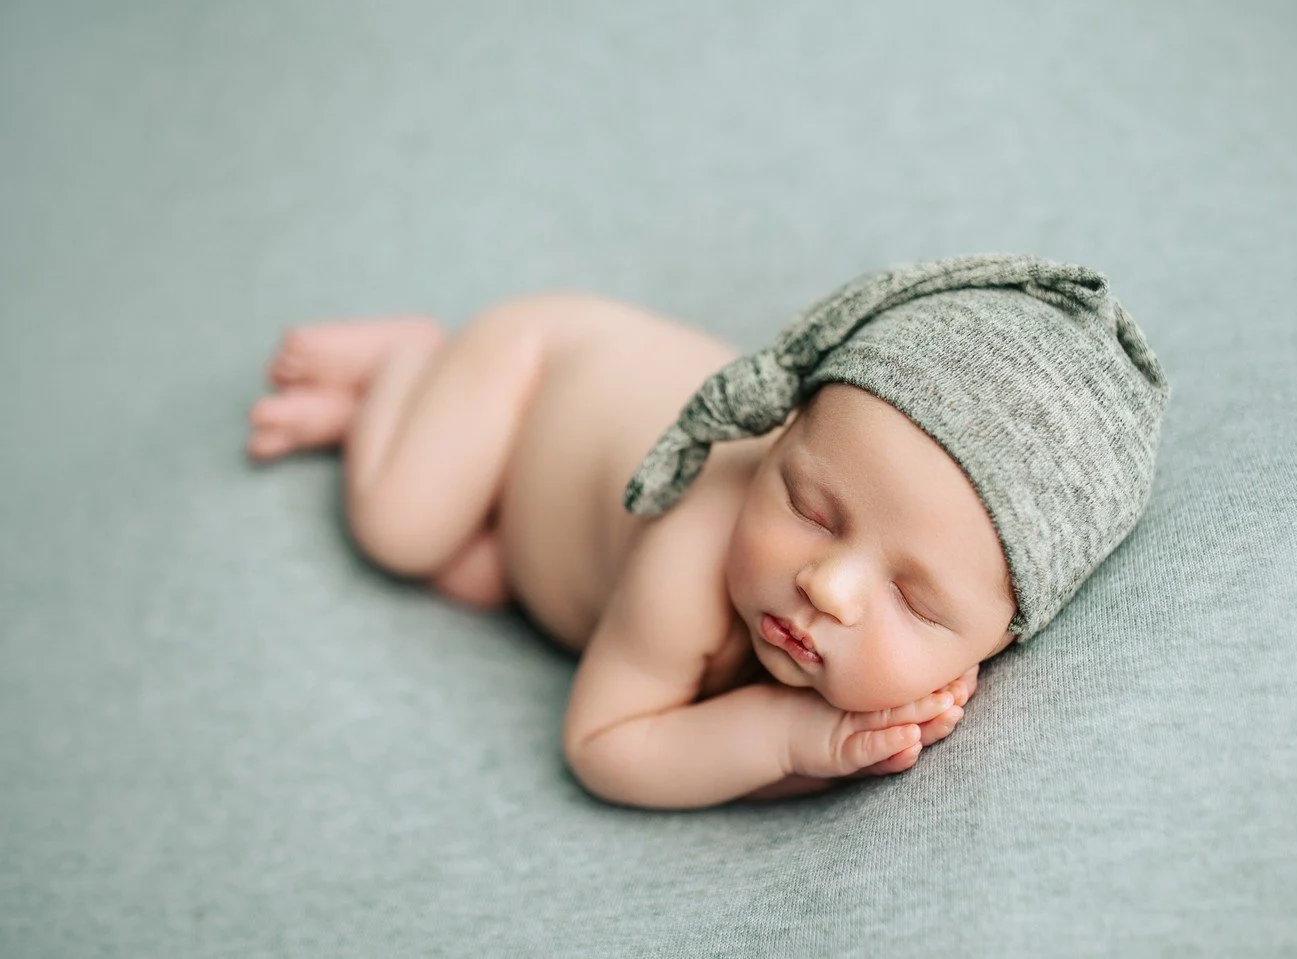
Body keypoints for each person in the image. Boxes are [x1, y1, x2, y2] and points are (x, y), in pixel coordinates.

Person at [246, 253, 1170, 810]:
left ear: (1003, 635)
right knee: (404, 530)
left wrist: (842, 750)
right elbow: (604, 745)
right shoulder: (693, 552)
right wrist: (795, 740)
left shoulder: (916, 606)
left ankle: (485, 504)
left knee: (481, 576)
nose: (830, 587)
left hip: (555, 511)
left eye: (914, 598)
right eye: (808, 506)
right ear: (778, 437)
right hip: (530, 371)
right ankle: (410, 365)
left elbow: (712, 757)